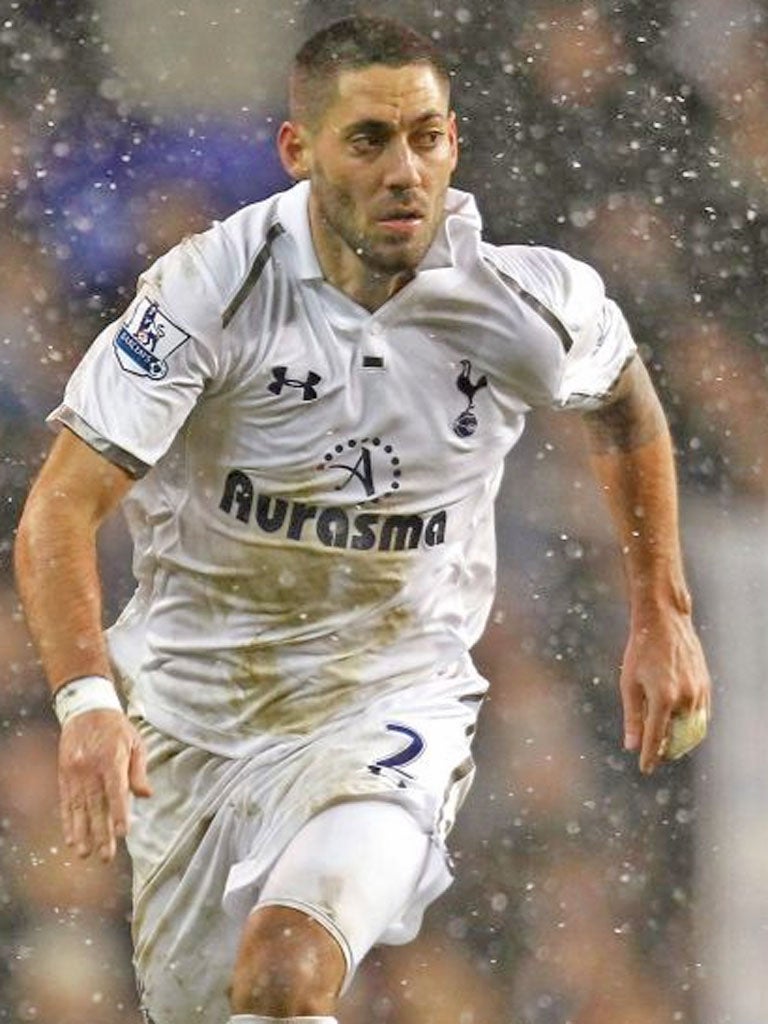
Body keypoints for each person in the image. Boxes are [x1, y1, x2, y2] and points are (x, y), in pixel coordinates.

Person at [14, 15, 712, 1024]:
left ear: (455, 142)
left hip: (392, 704)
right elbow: (59, 507)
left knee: (289, 972)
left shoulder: (518, 298)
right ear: (299, 152)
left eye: (427, 137)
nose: (404, 171)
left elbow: (624, 402)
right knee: (215, 1002)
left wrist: (663, 608)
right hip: (200, 721)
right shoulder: (211, 290)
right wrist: (85, 702)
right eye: (369, 140)